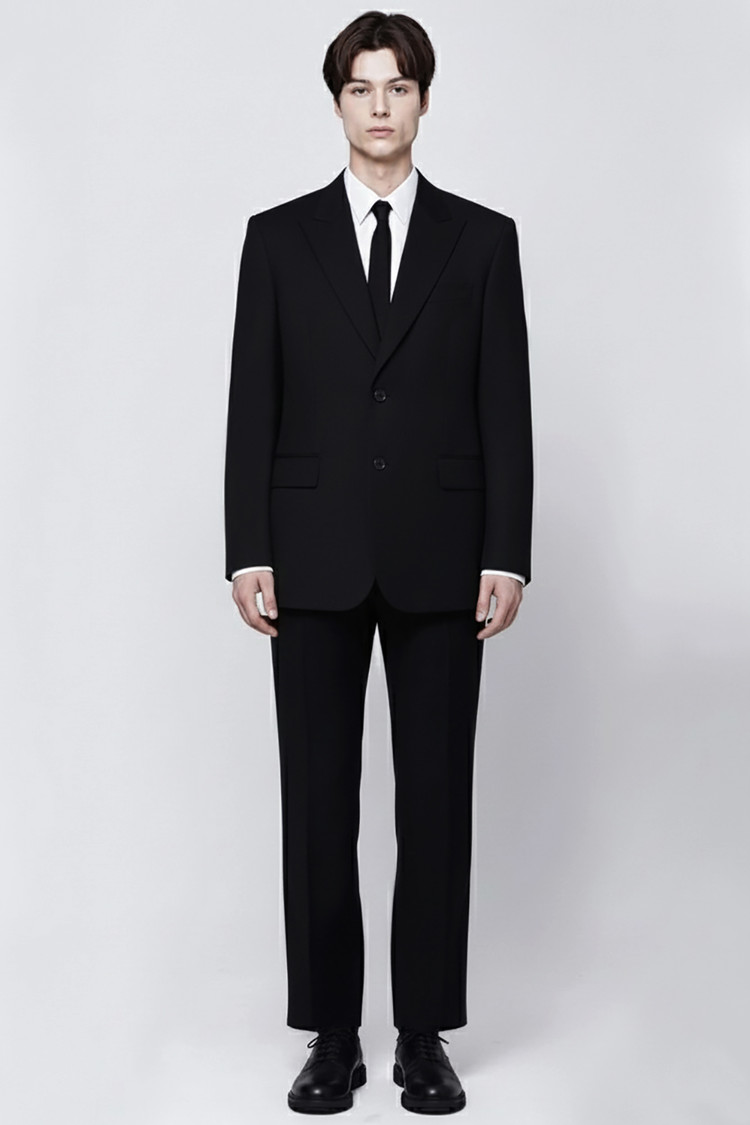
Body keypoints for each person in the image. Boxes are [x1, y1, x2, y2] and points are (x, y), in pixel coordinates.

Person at [224, 9, 533, 1114]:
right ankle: (331, 1037)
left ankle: (422, 1035)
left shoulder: (482, 239)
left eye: (397, 86)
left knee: (435, 804)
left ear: (424, 100)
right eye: (361, 88)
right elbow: (252, 399)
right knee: (319, 804)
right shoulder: (277, 238)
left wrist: (507, 552)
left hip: (445, 557)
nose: (380, 105)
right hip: (308, 555)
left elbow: (506, 405)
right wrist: (247, 548)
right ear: (338, 103)